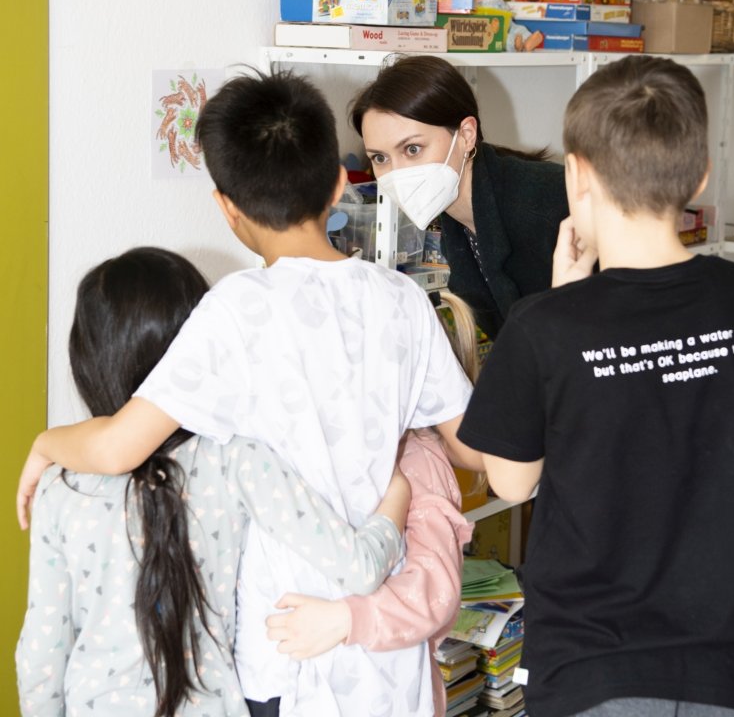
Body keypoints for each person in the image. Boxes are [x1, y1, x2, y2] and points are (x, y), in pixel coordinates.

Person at [17, 69, 483, 717]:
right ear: (341, 182)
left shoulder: (237, 309)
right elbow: (473, 449)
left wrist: (45, 443)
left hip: (282, 650)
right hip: (383, 648)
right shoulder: (403, 299)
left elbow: (122, 444)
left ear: (227, 209)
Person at [456, 55, 734, 717]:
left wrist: (561, 301)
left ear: (576, 175)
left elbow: (511, 481)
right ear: (699, 175)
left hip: (594, 667)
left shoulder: (545, 325)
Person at [15, 246, 412, 717]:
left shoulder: (61, 486)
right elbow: (361, 569)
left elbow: (41, 656)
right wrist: (399, 496)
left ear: (85, 359)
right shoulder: (235, 459)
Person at [265, 291, 482, 717]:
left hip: (394, 687)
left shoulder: (419, 460)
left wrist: (347, 619)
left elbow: (437, 592)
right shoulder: (352, 445)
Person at [349, 54, 569, 339]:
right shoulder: (459, 220)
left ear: (466, 135)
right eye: (380, 157)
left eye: (412, 149)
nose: (397, 173)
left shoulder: (541, 207)